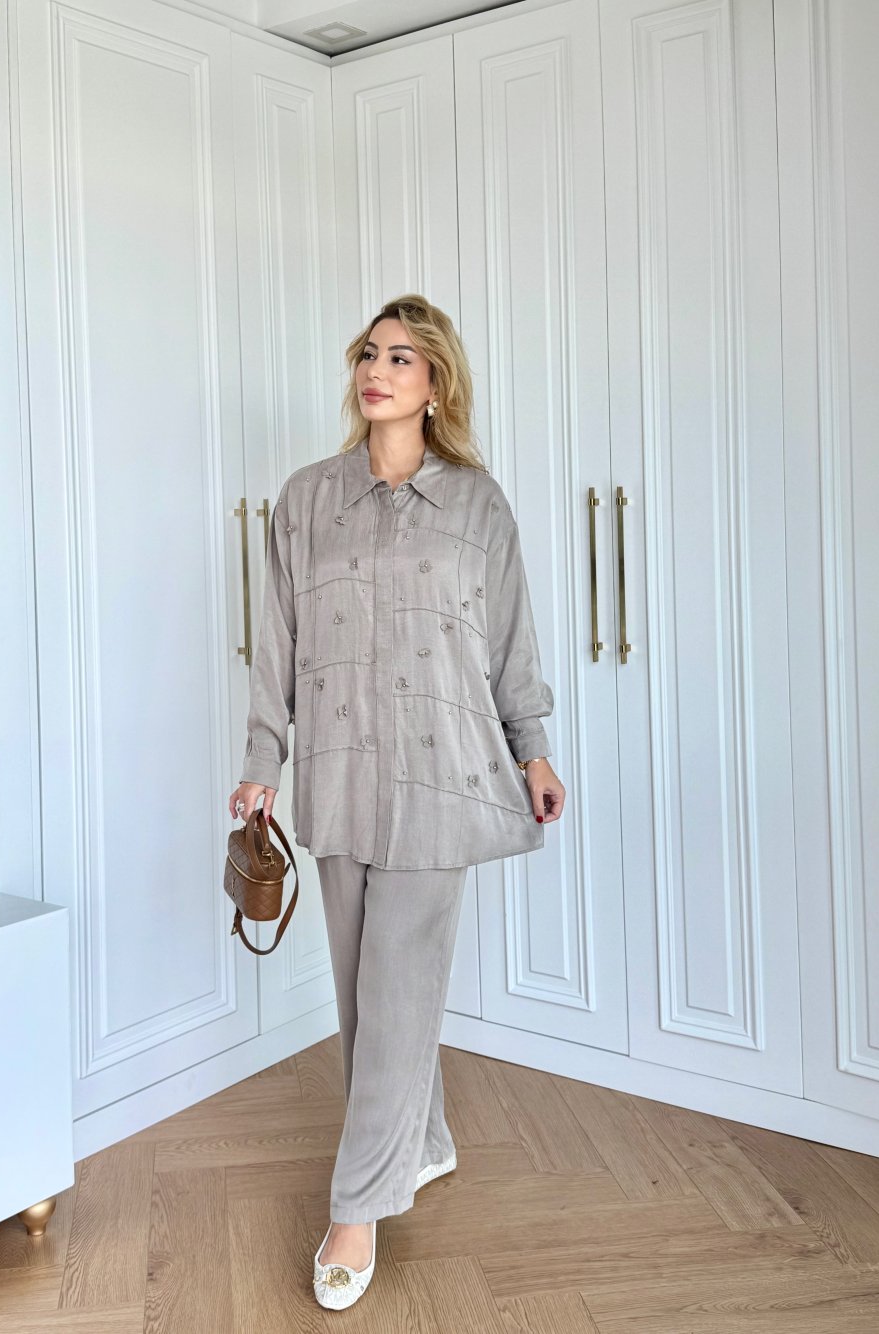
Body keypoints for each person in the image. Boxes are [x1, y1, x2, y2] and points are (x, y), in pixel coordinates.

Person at [228, 294, 565, 1310]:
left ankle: (356, 1210)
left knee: (401, 987)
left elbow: (510, 641)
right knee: (360, 991)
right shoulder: (306, 500)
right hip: (338, 771)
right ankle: (422, 1138)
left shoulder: (477, 504)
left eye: (403, 358)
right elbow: (277, 643)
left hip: (444, 771)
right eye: (370, 353)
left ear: (436, 383)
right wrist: (263, 757)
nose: (378, 370)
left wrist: (534, 749)